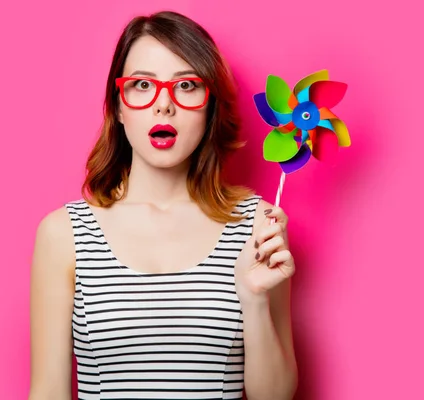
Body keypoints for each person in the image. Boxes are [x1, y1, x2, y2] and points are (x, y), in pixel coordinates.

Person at [28, 10, 298, 400]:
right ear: (118, 106)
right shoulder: (64, 234)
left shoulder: (256, 224)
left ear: (210, 107)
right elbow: (48, 391)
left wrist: (254, 299)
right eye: (142, 85)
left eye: (186, 85)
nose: (164, 106)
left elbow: (275, 396)